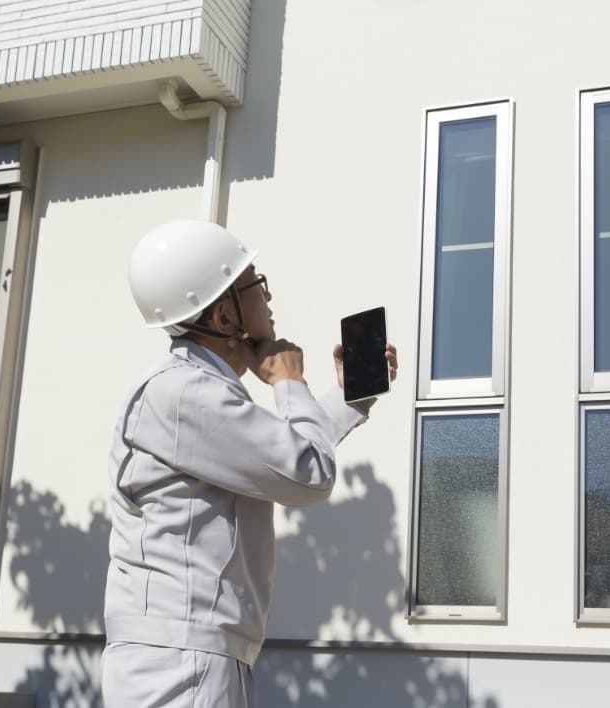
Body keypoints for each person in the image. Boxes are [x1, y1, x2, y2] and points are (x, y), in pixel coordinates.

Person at [101, 220, 397, 707]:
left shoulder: (190, 391)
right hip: (183, 661)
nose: (268, 295)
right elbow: (309, 475)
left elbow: (278, 455)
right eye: (254, 283)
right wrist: (287, 381)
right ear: (223, 315)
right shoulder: (186, 394)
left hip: (186, 655)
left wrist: (350, 396)